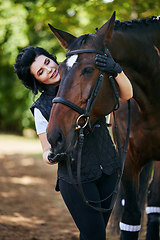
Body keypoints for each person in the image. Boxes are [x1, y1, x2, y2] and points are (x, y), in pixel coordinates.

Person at [14, 45, 133, 240]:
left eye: (47, 62)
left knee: (93, 234)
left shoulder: (86, 80)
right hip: (76, 178)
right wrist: (51, 156)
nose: (49, 69)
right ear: (36, 80)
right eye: (41, 72)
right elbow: (46, 150)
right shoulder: (41, 108)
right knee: (95, 236)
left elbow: (127, 94)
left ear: (53, 59)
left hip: (109, 170)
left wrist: (116, 70)